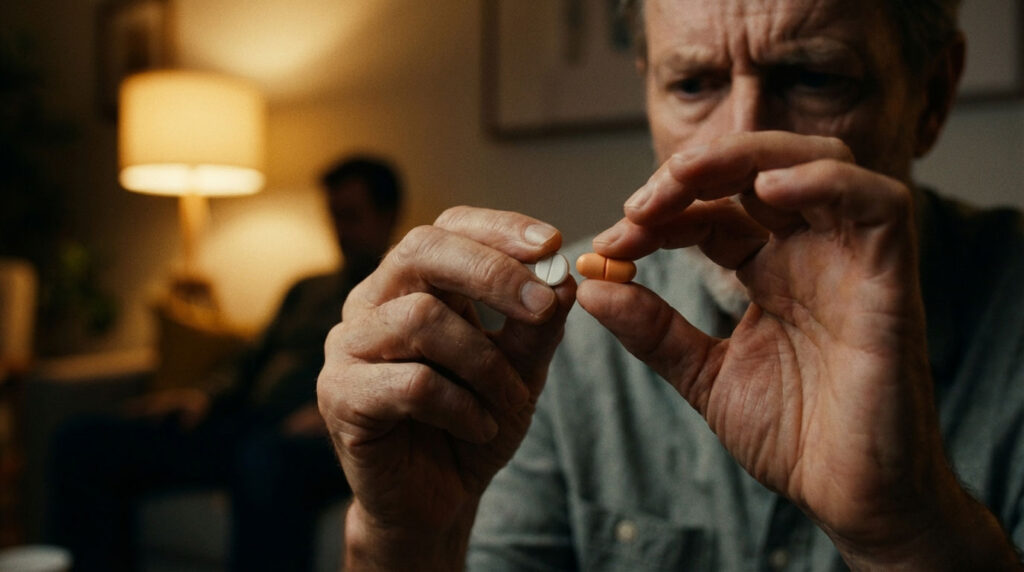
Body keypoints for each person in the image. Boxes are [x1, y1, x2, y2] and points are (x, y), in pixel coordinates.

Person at [317, 1, 1024, 570]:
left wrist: (908, 537)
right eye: (693, 83)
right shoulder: (558, 332)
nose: (735, 148)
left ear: (931, 94)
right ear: (647, 83)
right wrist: (404, 544)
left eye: (814, 78)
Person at [46, 156, 403, 572]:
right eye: (333, 216)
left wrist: (332, 413)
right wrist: (202, 395)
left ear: (387, 216)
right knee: (81, 441)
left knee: (265, 460)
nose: (340, 232)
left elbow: (398, 383)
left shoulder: (401, 293)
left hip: (320, 441)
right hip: (244, 424)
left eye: (351, 217)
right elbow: (249, 358)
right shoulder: (307, 288)